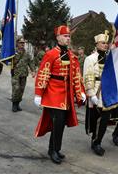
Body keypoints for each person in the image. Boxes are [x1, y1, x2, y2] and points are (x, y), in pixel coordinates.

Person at [33, 25, 86, 164]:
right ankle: (53, 150)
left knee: (60, 124)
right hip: (53, 94)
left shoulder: (70, 55)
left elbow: (76, 76)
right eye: (65, 36)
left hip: (66, 94)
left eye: (69, 36)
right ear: (58, 37)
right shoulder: (50, 54)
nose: (68, 39)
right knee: (58, 122)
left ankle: (54, 149)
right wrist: (38, 94)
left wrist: (80, 92)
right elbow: (43, 74)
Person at [84, 31, 112, 156]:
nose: (105, 45)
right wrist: (91, 94)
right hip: (96, 90)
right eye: (103, 43)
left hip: (107, 92)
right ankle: (95, 140)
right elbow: (87, 76)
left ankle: (98, 141)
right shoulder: (90, 59)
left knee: (105, 119)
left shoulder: (110, 59)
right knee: (95, 118)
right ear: (96, 44)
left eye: (107, 43)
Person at [11, 36, 36, 112]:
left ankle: (18, 104)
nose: (22, 44)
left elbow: (30, 62)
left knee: (21, 90)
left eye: (23, 43)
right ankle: (14, 105)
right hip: (16, 74)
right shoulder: (13, 52)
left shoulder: (26, 53)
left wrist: (33, 71)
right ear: (17, 43)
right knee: (16, 89)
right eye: (21, 43)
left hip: (24, 74)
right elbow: (9, 62)